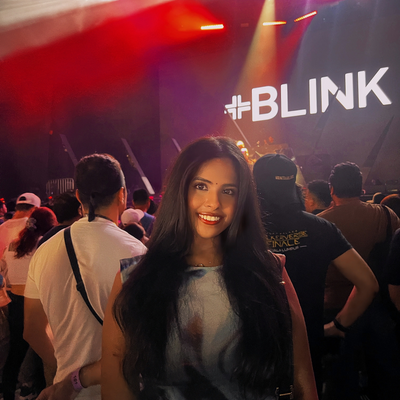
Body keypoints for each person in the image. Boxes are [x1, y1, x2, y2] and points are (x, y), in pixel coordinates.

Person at [102, 137, 318, 400]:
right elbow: (117, 385)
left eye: (228, 191)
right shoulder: (134, 279)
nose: (214, 203)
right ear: (180, 191)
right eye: (201, 186)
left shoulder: (269, 271)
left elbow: (303, 382)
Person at [24, 154, 147, 400]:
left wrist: (66, 371)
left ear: (78, 196)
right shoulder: (136, 253)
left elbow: (32, 329)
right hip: (123, 390)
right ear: (122, 195)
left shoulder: (44, 251)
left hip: (66, 391)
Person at [253, 154, 378, 397]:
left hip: (253, 347)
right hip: (309, 345)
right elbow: (368, 284)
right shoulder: (320, 227)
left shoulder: (239, 231)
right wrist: (338, 325)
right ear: (293, 185)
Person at [318, 162, 400, 400]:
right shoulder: (386, 215)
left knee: (341, 379)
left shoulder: (320, 223)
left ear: (332, 189)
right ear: (361, 188)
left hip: (336, 308)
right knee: (384, 377)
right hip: (379, 306)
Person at [0, 207, 57, 400]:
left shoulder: (14, 243)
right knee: (40, 348)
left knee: (16, 348)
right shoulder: (45, 245)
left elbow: (4, 269)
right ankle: (36, 388)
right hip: (35, 300)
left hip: (14, 301)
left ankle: (8, 389)